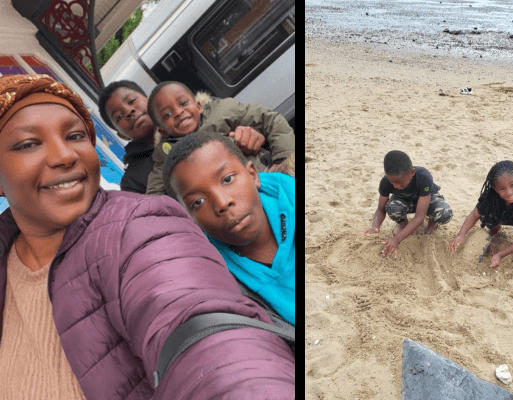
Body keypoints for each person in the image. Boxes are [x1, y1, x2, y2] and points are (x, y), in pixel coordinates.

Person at [0, 74, 294, 399]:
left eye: (75, 135)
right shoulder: (146, 168)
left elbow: (198, 324)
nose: (64, 155)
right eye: (28, 143)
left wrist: (277, 158)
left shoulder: (140, 228)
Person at [163, 132, 295, 326]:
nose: (222, 203)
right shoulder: (216, 282)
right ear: (191, 220)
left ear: (252, 175)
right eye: (198, 202)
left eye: (227, 179)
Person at [145, 81, 295, 195]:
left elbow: (271, 120)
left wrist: (283, 161)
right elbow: (155, 197)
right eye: (167, 114)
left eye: (183, 103)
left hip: (268, 180)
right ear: (162, 131)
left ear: (198, 106)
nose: (178, 112)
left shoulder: (224, 111)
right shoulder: (166, 158)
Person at [449, 160, 513, 268]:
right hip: (504, 213)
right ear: (495, 189)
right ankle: (494, 229)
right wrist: (460, 235)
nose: (509, 192)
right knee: (486, 215)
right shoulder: (491, 196)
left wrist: (500, 255)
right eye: (502, 189)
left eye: (512, 185)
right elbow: (475, 214)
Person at [361, 150, 453, 259]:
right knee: (391, 207)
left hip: (426, 200)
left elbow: (420, 216)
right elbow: (381, 208)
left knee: (444, 213)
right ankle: (403, 224)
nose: (395, 186)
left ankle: (432, 224)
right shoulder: (385, 182)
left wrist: (397, 240)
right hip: (404, 201)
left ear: (412, 172)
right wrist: (375, 226)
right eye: (392, 182)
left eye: (400, 182)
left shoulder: (423, 176)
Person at [98, 80, 156, 194]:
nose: (128, 111)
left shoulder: (190, 121)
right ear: (121, 135)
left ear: (149, 99)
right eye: (119, 116)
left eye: (132, 101)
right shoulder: (132, 183)